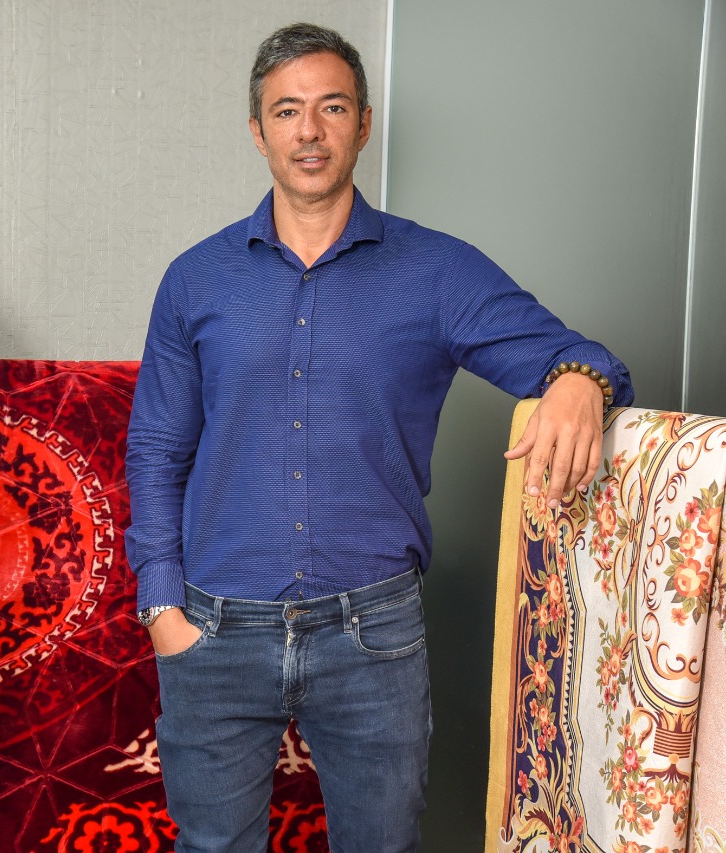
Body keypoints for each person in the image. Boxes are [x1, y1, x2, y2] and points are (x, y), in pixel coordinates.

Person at [124, 21, 633, 853]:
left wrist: (580, 380)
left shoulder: (437, 271)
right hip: (214, 630)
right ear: (257, 131)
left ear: (363, 124)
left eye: (331, 107)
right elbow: (156, 449)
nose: (309, 130)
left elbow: (576, 356)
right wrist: (161, 605)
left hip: (374, 635)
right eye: (287, 111)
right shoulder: (196, 280)